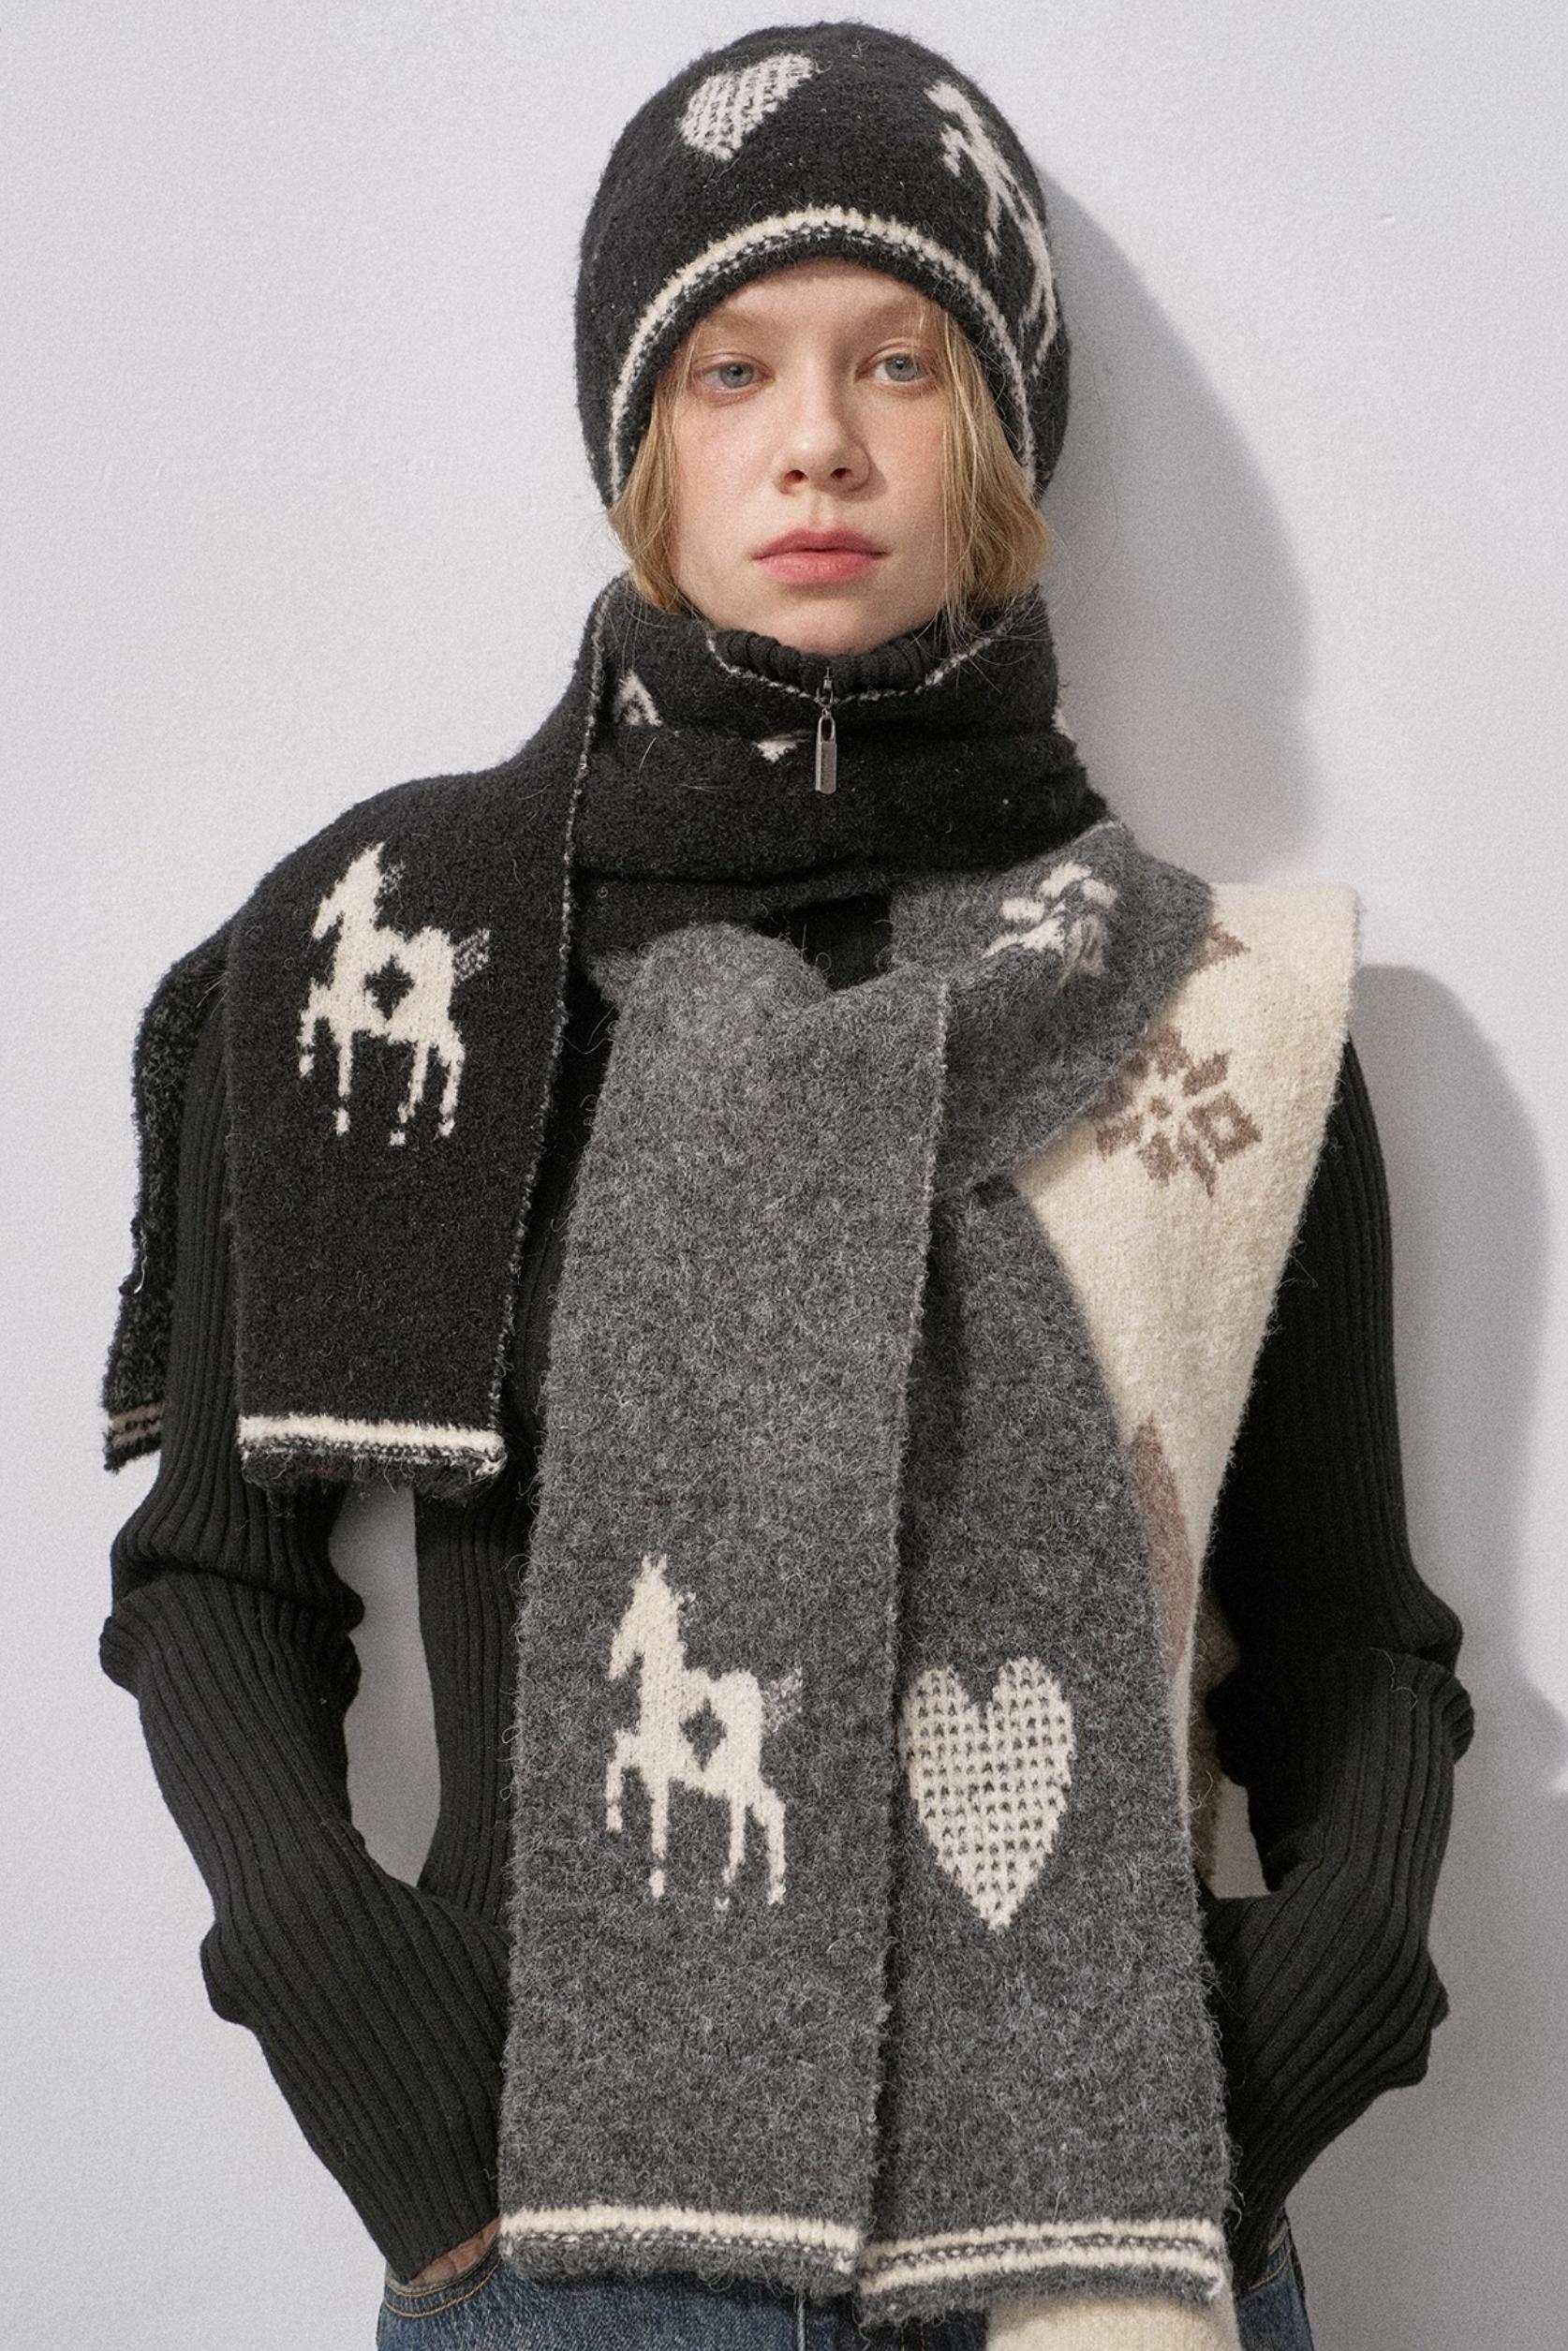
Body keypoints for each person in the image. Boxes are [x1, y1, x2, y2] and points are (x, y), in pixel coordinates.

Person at [97, 24, 1472, 2351]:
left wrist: (1292, 2038)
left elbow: (1348, 1635)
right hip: (565, 2244)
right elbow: (218, 1572)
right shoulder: (403, 961)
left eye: (897, 360)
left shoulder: (1223, 1012)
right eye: (731, 366)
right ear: (645, 438)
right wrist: (376, 2050)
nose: (817, 438)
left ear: (995, 429)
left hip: (1110, 2231)